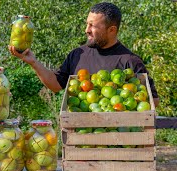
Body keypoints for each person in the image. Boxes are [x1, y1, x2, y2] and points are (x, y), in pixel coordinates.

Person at [9, 2, 159, 106]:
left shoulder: (130, 61)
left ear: (111, 30)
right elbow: (56, 85)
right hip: (80, 139)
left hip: (117, 142)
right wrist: (33, 62)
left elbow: (154, 101)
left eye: (92, 26)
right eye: (87, 23)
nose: (86, 30)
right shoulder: (78, 54)